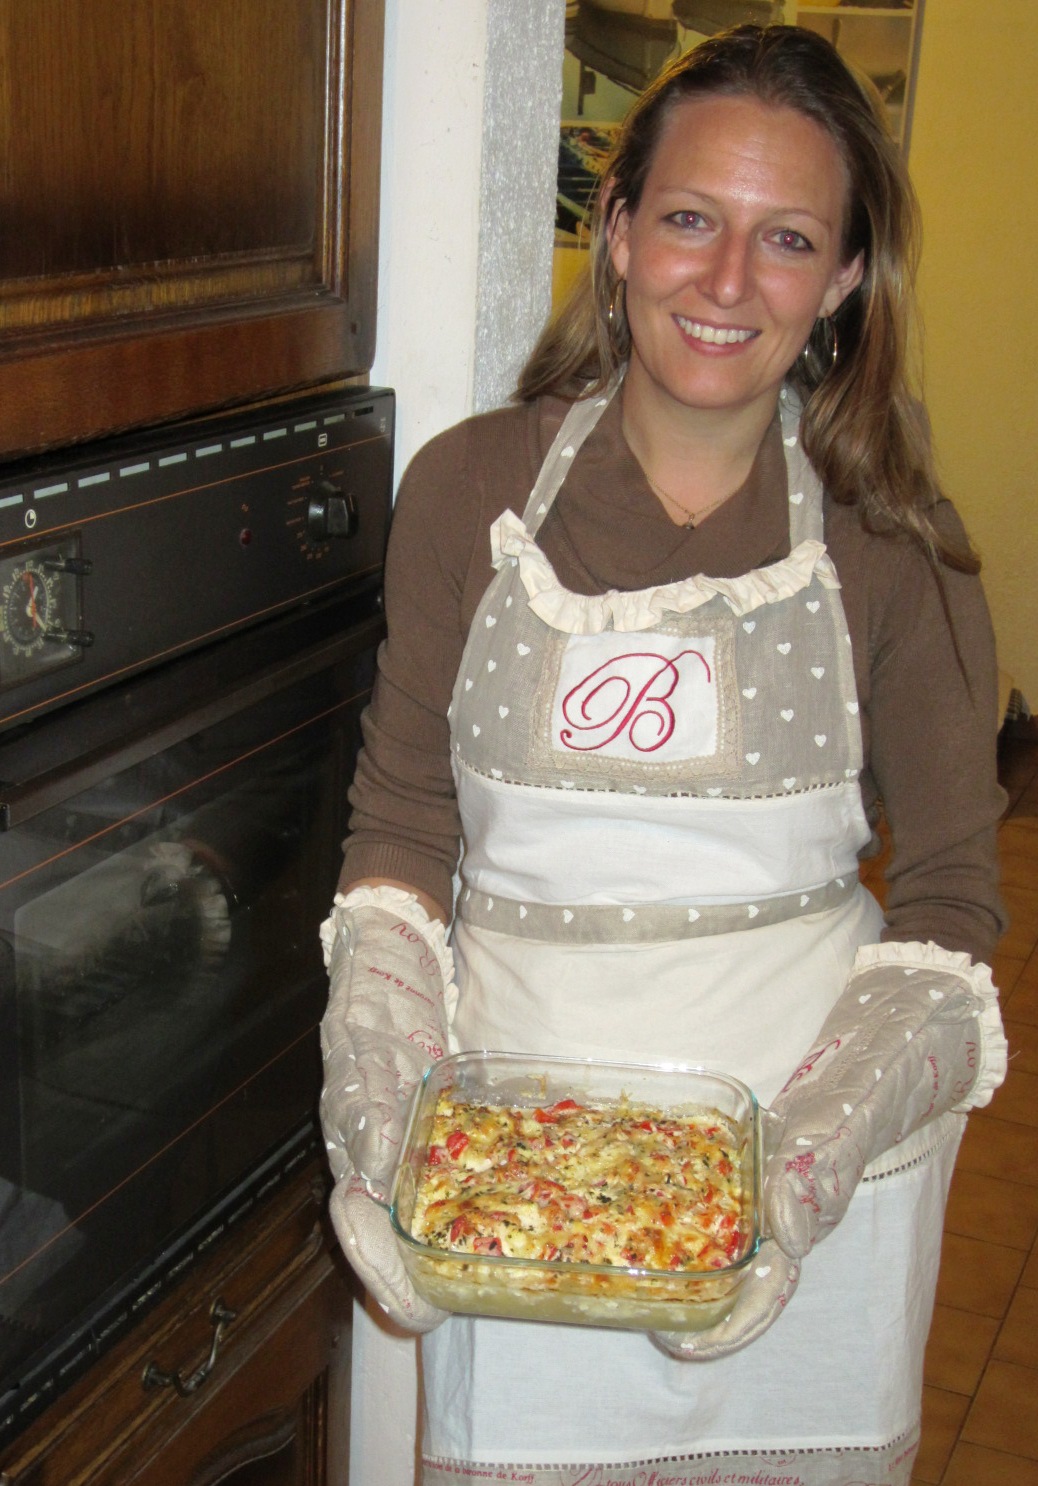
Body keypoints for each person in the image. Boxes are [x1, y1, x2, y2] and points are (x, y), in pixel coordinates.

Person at [320, 24, 1008, 1486]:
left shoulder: (892, 540)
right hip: (514, 1181)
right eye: (690, 219)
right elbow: (400, 815)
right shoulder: (470, 491)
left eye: (786, 240)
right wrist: (381, 1088)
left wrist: (799, 1166)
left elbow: (952, 899)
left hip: (806, 1177)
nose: (723, 280)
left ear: (838, 284)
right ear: (618, 230)